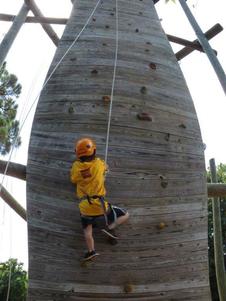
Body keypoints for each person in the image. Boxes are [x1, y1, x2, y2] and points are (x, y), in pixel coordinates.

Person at [70, 137, 129, 260]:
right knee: (126, 214)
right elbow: (106, 168)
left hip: (85, 207)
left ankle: (91, 251)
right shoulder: (98, 163)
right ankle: (110, 227)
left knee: (87, 231)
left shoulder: (76, 167)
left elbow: (73, 179)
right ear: (94, 151)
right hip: (100, 206)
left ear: (78, 155)